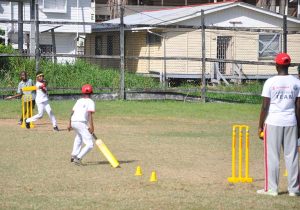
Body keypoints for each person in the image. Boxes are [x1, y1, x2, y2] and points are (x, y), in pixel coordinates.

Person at [257, 53, 300, 196]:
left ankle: (272, 189)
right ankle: (294, 190)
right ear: (288, 65)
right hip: (291, 122)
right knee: (292, 156)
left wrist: (260, 125)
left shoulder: (270, 82)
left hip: (273, 122)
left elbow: (264, 107)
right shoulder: (296, 82)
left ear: (276, 66)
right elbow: (298, 107)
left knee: (272, 156)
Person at [67, 84, 95, 165]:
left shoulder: (79, 101)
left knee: (79, 137)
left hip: (73, 122)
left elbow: (72, 112)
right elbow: (89, 114)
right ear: (91, 93)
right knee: (90, 144)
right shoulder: (91, 101)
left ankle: (74, 155)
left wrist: (69, 124)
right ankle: (78, 158)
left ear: (82, 93)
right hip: (81, 122)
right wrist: (92, 127)